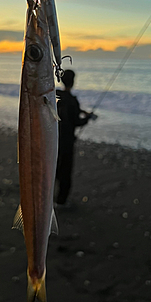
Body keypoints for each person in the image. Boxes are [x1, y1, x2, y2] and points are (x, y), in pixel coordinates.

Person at [55, 69, 96, 207]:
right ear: (73, 82)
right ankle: (61, 201)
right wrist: (87, 118)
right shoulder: (73, 101)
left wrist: (83, 113)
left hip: (54, 138)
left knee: (54, 167)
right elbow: (77, 121)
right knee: (65, 170)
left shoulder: (56, 96)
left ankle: (48, 195)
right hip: (67, 141)